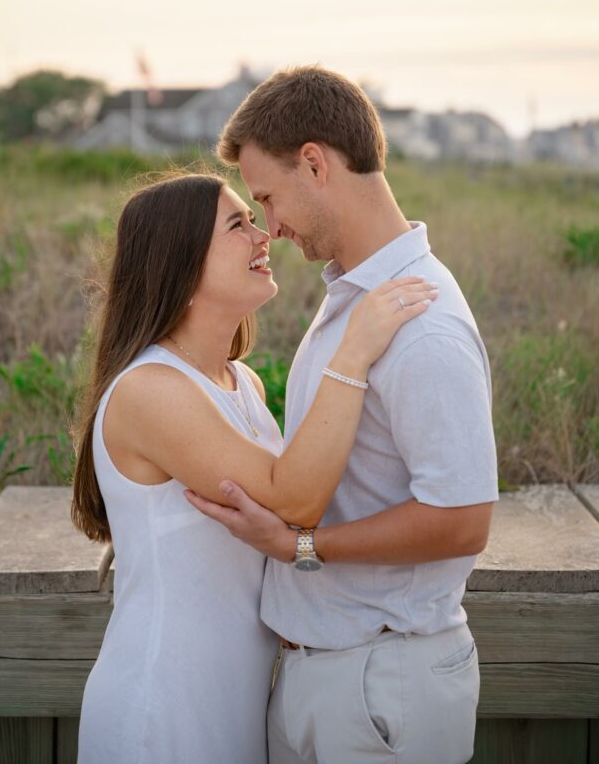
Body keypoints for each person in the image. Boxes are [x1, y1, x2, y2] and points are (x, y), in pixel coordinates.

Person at [186, 66, 499, 764]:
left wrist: (301, 546)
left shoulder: (421, 324)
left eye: (267, 197)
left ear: (315, 163)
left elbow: (462, 519)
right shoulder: (357, 297)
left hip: (381, 685)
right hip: (326, 675)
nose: (270, 226)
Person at [71, 171, 437, 764]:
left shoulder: (240, 382)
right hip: (164, 705)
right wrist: (354, 350)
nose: (264, 234)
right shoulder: (149, 390)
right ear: (179, 265)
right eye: (237, 225)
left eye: (254, 218)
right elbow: (293, 498)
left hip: (237, 698)